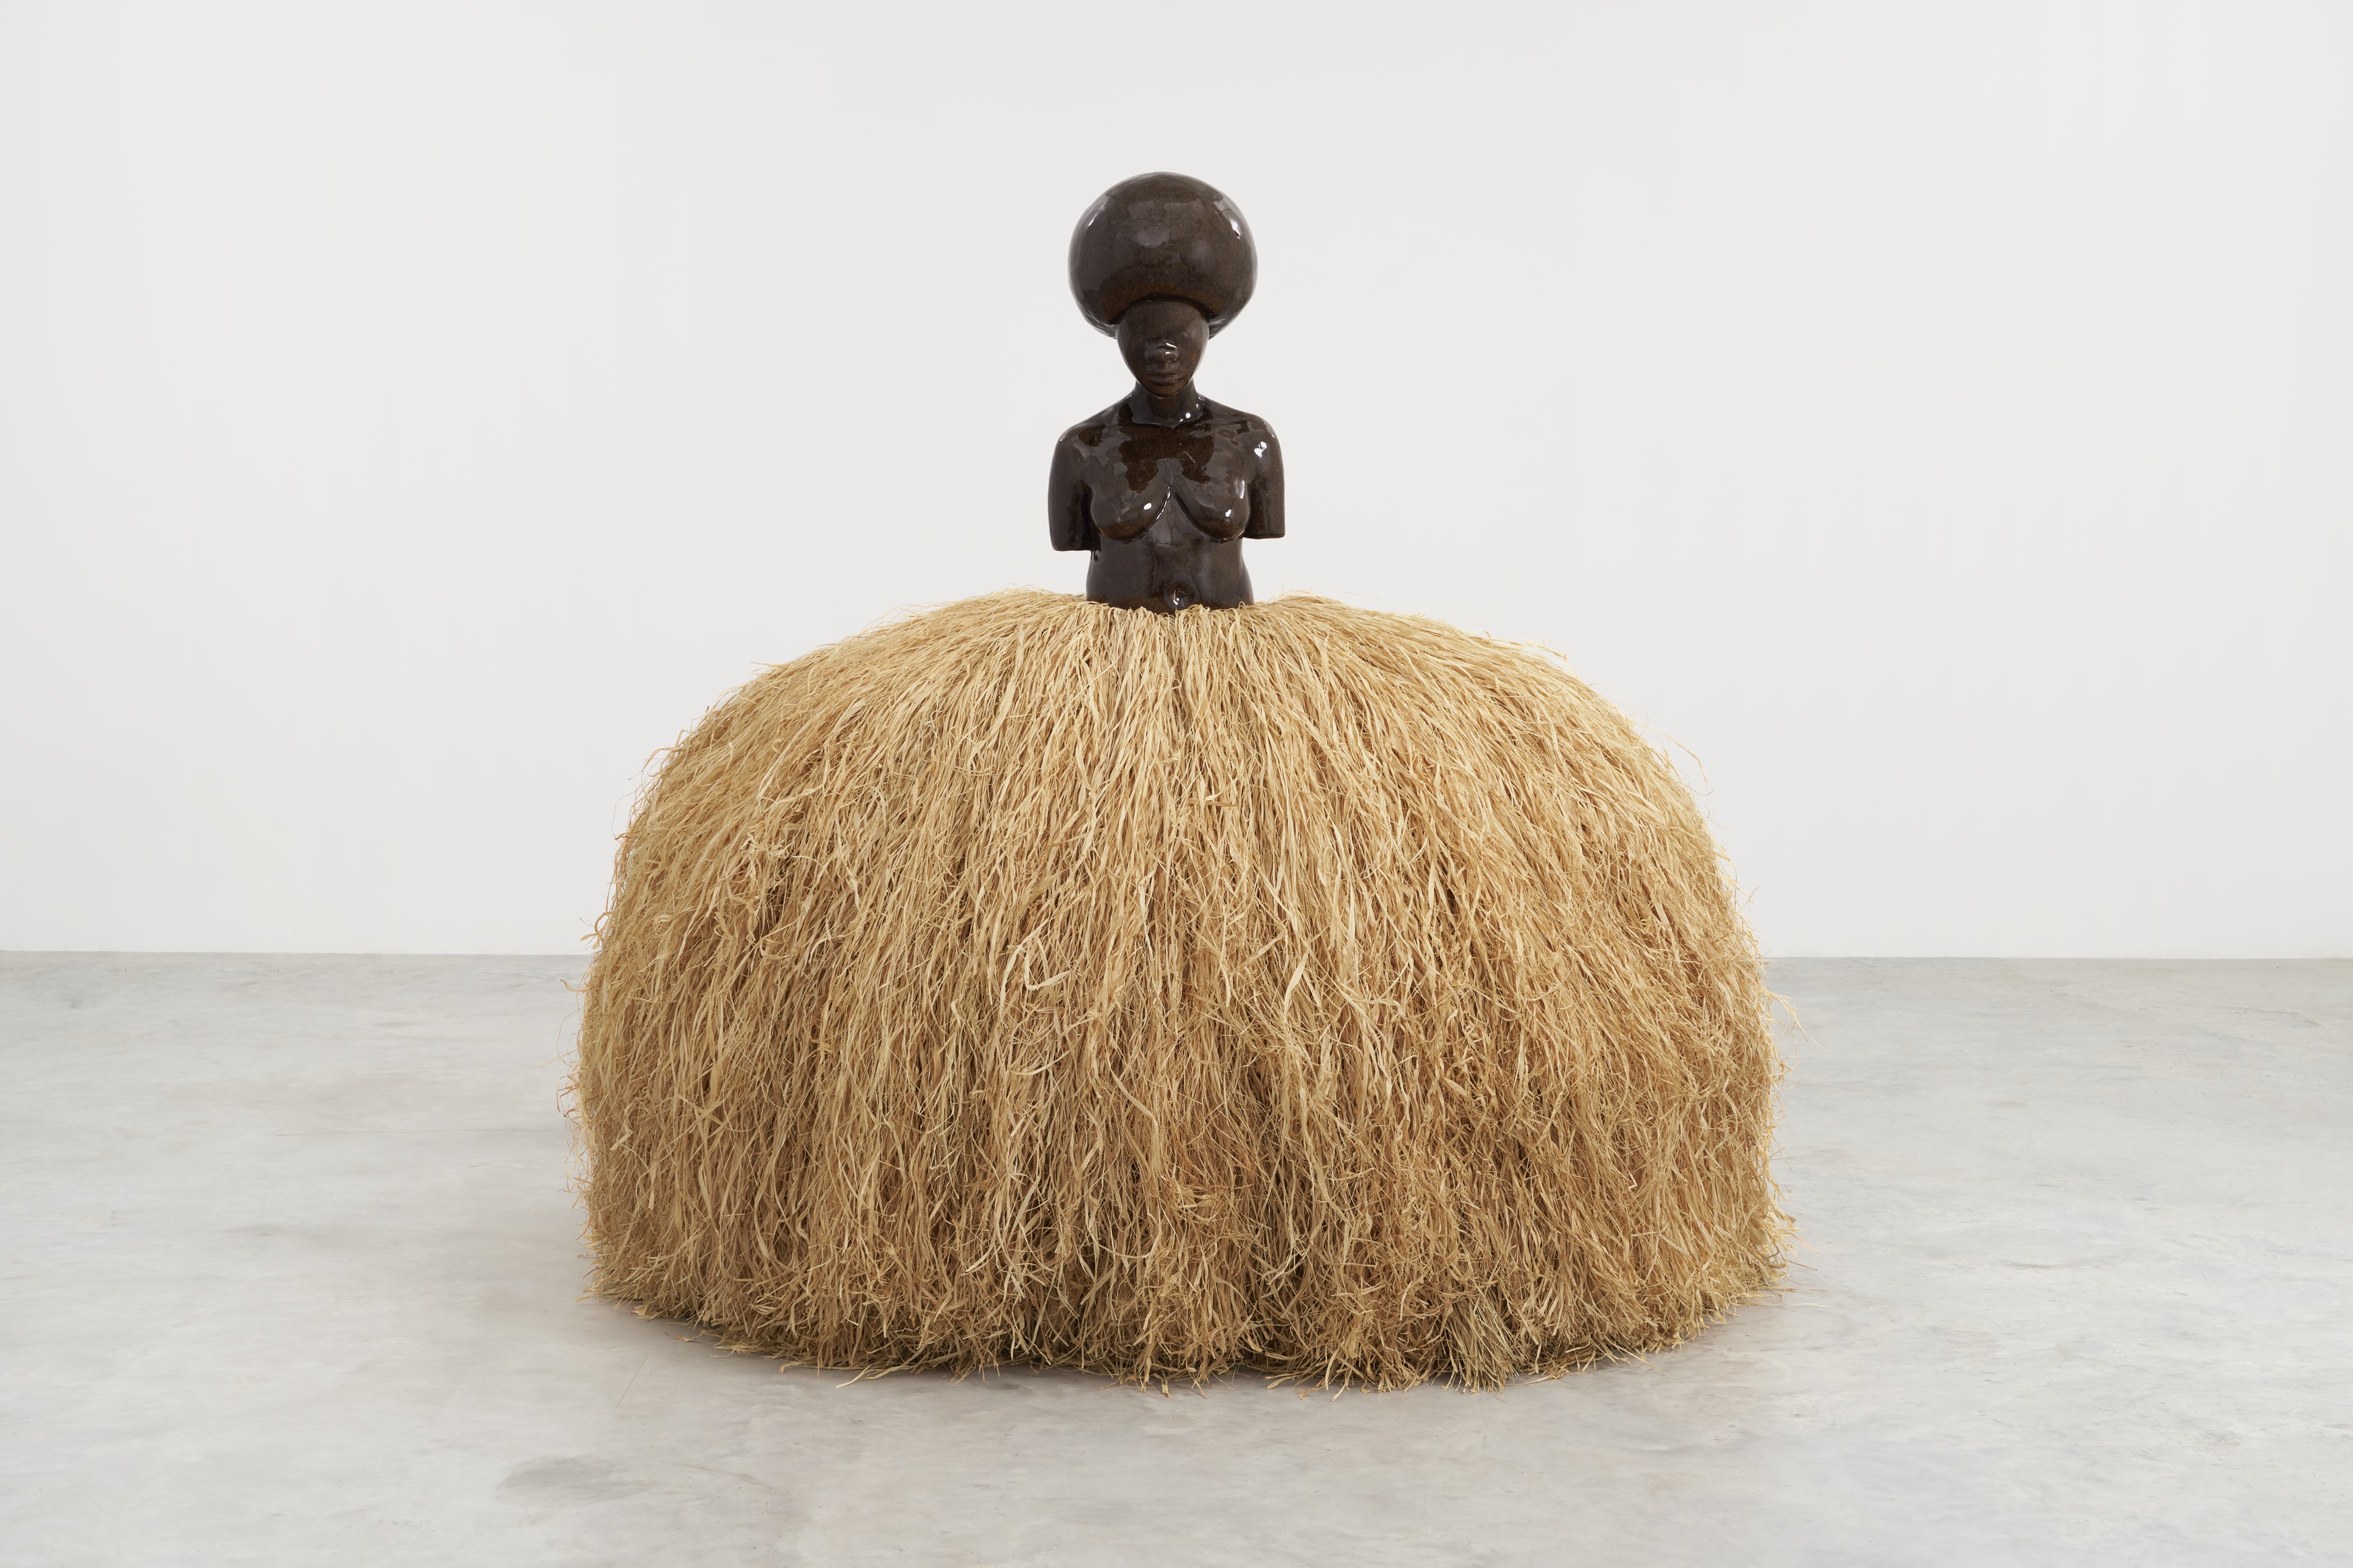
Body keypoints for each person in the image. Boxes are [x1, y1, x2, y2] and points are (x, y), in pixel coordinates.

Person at [1048, 173, 1284, 612]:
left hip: (1227, 641)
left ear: (1207, 334)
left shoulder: (1252, 440)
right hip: (1117, 646)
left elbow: (1267, 527)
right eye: (1144, 335)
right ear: (1118, 336)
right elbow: (1069, 539)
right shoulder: (1083, 447)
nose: (1163, 353)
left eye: (1180, 335)